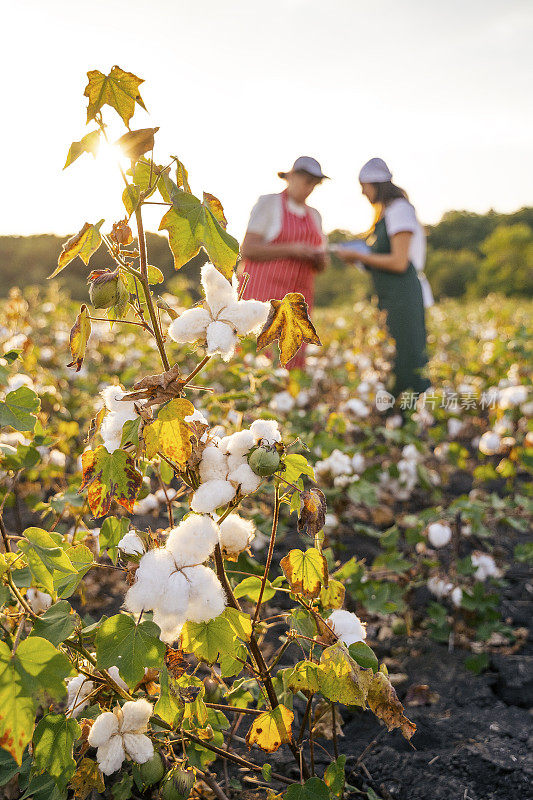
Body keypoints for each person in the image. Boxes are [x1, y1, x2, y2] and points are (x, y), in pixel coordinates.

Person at [335, 158, 432, 397]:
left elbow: (399, 262)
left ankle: (413, 413)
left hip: (404, 295)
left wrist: (361, 256)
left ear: (377, 184)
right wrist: (357, 259)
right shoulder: (386, 214)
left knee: (408, 358)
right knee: (394, 355)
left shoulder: (400, 210)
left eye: (364, 185)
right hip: (391, 296)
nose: (363, 192)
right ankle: (402, 414)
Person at [239, 156, 328, 370]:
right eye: (306, 181)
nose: (309, 188)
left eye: (314, 184)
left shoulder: (314, 216)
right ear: (290, 177)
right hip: (264, 296)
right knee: (259, 357)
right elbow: (248, 249)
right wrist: (292, 249)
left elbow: (323, 265)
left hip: (298, 303)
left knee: (292, 358)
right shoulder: (269, 203)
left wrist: (318, 258)